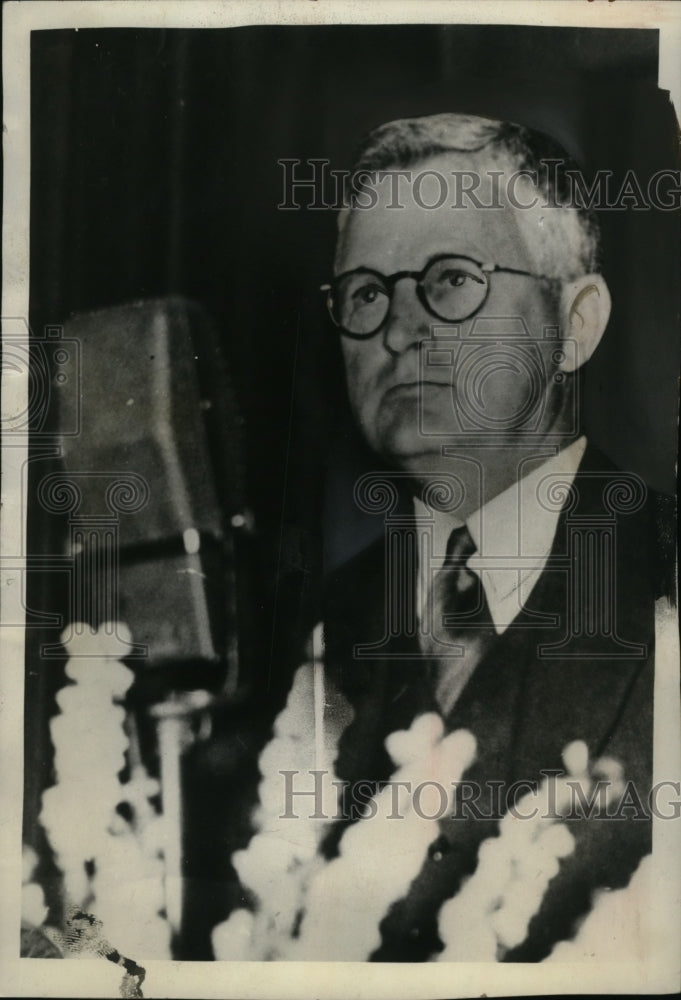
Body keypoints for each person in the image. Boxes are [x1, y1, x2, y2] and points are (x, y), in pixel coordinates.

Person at [215, 113, 673, 963]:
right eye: (364, 293)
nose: (395, 333)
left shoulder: (664, 568)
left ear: (576, 322)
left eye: (451, 280)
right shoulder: (301, 626)